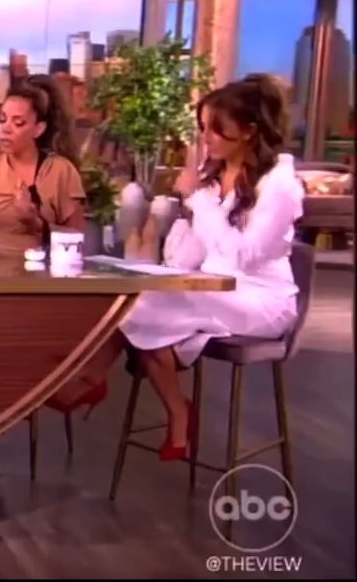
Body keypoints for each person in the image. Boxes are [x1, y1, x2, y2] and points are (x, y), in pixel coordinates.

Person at [53, 74, 304, 461]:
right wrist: (188, 210)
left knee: (141, 307)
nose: (206, 139)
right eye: (203, 128)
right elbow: (184, 259)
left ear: (250, 131)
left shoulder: (280, 185)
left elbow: (244, 256)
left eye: (217, 130)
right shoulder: (217, 176)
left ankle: (96, 380)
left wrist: (199, 201)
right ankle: (172, 409)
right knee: (130, 296)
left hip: (260, 299)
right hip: (211, 287)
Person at [0, 75, 86, 252]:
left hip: (44, 265)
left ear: (39, 129)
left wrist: (34, 222)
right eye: (2, 120)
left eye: (18, 123)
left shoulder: (61, 171)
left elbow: (76, 238)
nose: (5, 129)